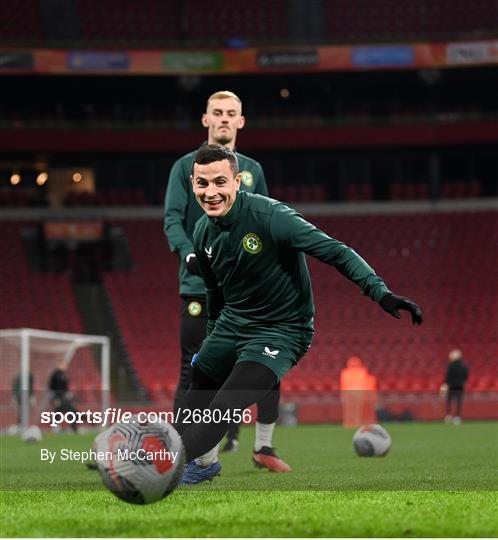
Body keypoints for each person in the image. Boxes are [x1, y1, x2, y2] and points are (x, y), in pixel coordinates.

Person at [176, 144, 423, 484]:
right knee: (200, 380)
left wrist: (380, 293)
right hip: (232, 323)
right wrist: (213, 338)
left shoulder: (272, 217)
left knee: (227, 401)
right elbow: (214, 293)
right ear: (192, 184)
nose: (212, 192)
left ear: (237, 181)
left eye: (220, 182)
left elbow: (337, 252)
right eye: (203, 184)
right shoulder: (202, 232)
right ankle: (202, 463)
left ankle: (164, 465)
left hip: (282, 331)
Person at [164, 90, 290, 472]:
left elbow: (270, 220)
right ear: (205, 119)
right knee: (195, 368)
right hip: (199, 287)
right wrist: (190, 254)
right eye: (216, 112)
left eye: (230, 113)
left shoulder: (253, 169)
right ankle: (182, 450)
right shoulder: (184, 167)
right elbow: (172, 219)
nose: (222, 119)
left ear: (240, 121)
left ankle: (263, 448)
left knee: (267, 359)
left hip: (247, 290)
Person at [48, 361, 79, 433]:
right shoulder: (55, 375)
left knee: (69, 411)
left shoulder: (64, 375)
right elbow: (51, 388)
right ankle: (56, 427)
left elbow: (65, 388)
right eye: (63, 365)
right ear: (59, 365)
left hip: (64, 397)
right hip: (58, 397)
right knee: (61, 412)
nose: (65, 366)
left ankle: (72, 427)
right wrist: (55, 398)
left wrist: (69, 395)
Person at [440, 349, 469, 425]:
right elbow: (466, 376)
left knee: (449, 401)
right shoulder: (464, 366)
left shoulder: (451, 366)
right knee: (458, 402)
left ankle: (448, 416)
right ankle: (457, 417)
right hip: (459, 386)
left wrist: (444, 385)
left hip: (451, 386)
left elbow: (447, 377)